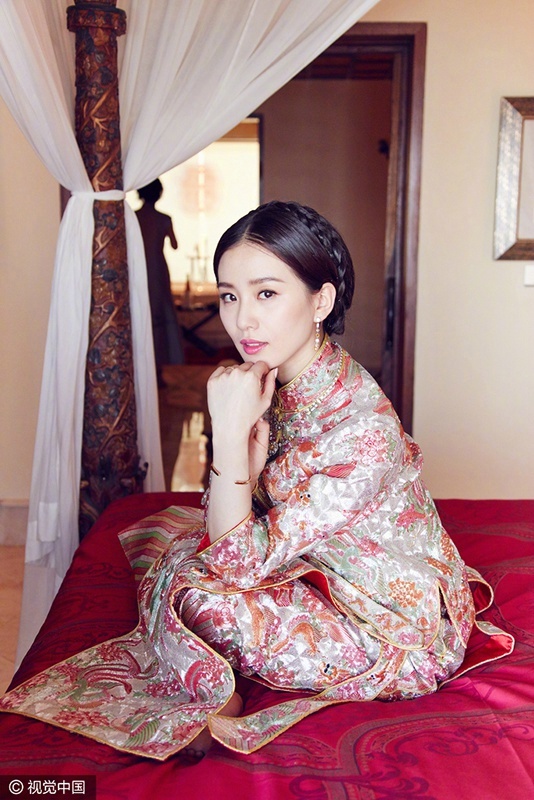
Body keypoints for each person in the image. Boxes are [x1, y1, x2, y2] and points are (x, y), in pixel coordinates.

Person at [0, 201, 512, 760]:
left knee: (193, 589)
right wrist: (235, 445)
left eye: (266, 293)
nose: (243, 320)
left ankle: (217, 695)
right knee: (173, 548)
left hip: (387, 627)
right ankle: (211, 673)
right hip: (310, 566)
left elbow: (229, 561)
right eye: (229, 296)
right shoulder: (278, 379)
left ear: (321, 301)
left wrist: (226, 436)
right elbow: (228, 523)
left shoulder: (361, 430)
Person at [136, 179, 183, 385]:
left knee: (142, 314)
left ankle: (145, 369)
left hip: (138, 269)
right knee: (159, 317)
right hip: (157, 269)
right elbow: (175, 245)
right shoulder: (164, 219)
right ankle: (157, 370)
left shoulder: (134, 218)